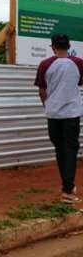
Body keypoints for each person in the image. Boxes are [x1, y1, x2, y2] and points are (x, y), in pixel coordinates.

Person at [34, 33, 83, 203]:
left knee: (60, 148)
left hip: (53, 114)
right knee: (69, 149)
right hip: (71, 114)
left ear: (53, 47)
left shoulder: (45, 64)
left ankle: (67, 186)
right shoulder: (78, 63)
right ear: (68, 46)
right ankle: (68, 190)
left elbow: (42, 91)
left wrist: (47, 106)